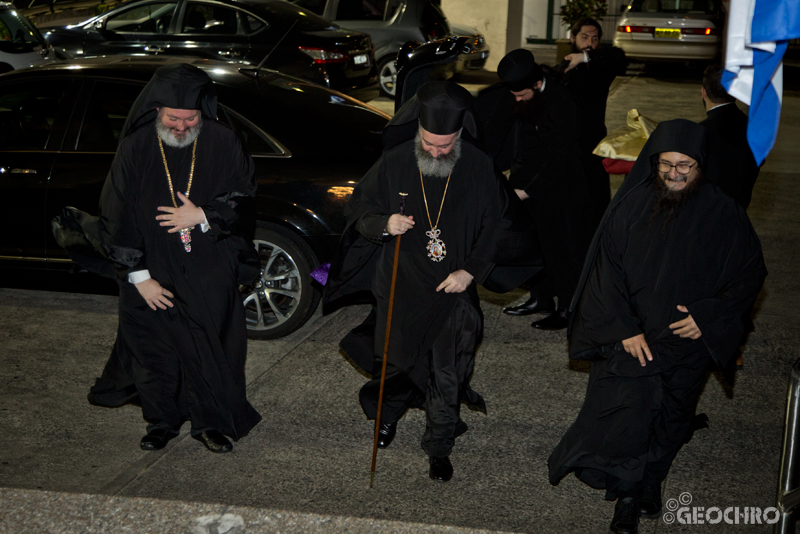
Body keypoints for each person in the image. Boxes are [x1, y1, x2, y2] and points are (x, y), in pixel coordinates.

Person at [547, 119, 767, 534]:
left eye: (685, 164)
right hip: (636, 340)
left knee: (673, 417)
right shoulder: (630, 206)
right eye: (666, 164)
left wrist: (707, 317)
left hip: (687, 343)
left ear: (700, 164)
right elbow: (605, 272)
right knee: (631, 415)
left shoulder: (724, 211)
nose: (675, 173)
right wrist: (625, 327)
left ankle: (652, 481)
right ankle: (629, 496)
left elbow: (750, 273)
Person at [324, 81, 511, 482]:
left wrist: (471, 271)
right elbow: (359, 207)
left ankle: (439, 445)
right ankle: (386, 417)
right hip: (400, 283)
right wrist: (383, 224)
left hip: (453, 289)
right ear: (418, 131)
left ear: (460, 134)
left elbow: (498, 225)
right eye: (429, 143)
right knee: (395, 365)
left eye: (446, 146)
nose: (437, 152)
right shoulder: (394, 161)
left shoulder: (478, 166)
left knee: (449, 372)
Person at [84, 64, 262, 454]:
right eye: (173, 119)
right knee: (155, 352)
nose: (181, 127)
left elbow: (244, 195)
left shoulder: (224, 141)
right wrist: (138, 275)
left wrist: (203, 215)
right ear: (157, 111)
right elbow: (116, 214)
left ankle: (209, 423)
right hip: (151, 268)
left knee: (209, 346)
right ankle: (162, 421)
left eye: (190, 119)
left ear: (202, 112)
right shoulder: (136, 147)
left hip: (209, 265)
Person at [497, 49, 590, 330]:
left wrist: (527, 191)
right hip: (528, 181)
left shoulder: (562, 102)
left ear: (537, 85)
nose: (517, 100)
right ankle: (541, 299)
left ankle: (567, 308)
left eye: (521, 95)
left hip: (561, 188)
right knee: (533, 245)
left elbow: (559, 159)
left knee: (560, 249)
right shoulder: (527, 96)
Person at [558, 17, 627, 229]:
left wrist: (584, 57)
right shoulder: (563, 70)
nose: (590, 42)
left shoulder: (600, 66)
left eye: (595, 38)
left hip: (593, 139)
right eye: (584, 37)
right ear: (572, 38)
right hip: (566, 142)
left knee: (595, 195)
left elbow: (620, 58)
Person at [700, 63, 761, 209]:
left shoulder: (700, 132)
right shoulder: (754, 129)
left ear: (703, 92)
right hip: (739, 211)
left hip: (705, 215)